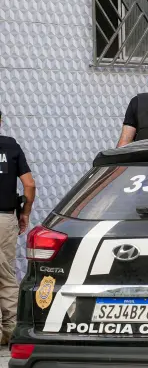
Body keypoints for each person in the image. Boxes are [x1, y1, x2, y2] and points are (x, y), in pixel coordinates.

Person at [0, 110, 35, 345]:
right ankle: (11, 330)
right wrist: (25, 213)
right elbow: (29, 184)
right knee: (6, 274)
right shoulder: (10, 146)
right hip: (4, 219)